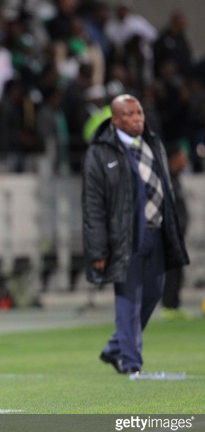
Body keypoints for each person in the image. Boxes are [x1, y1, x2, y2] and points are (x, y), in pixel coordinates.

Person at [82, 94, 189, 375]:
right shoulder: (100, 152)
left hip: (155, 232)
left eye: (139, 112)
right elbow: (93, 205)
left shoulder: (153, 144)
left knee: (153, 294)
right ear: (115, 120)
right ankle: (131, 364)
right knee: (128, 300)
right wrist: (98, 250)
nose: (138, 118)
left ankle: (113, 349)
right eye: (130, 114)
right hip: (124, 238)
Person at [161, 144, 190, 320]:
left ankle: (174, 304)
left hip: (178, 236)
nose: (185, 161)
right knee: (171, 271)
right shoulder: (167, 180)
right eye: (182, 156)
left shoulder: (175, 179)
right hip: (169, 235)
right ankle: (168, 306)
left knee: (178, 271)